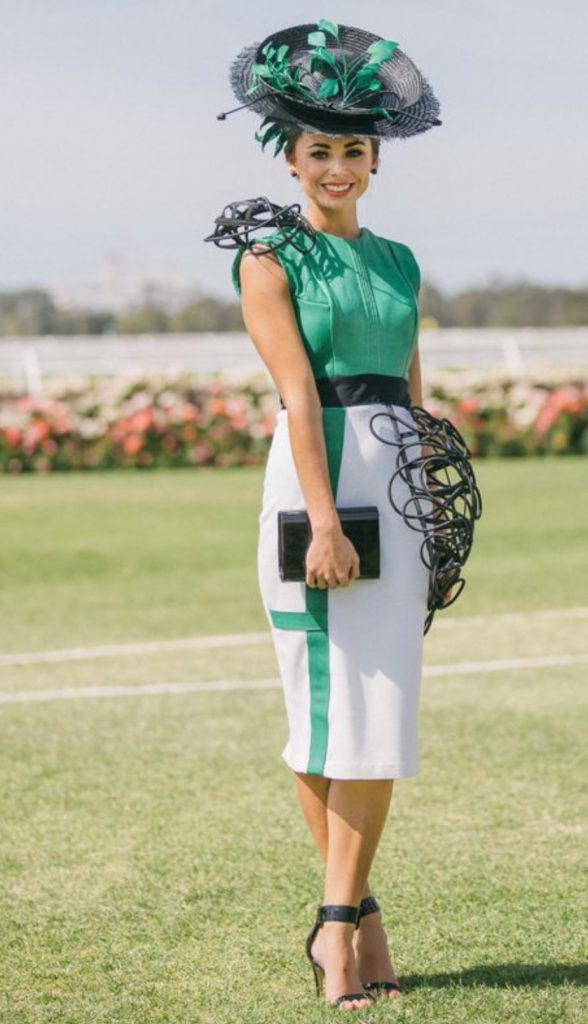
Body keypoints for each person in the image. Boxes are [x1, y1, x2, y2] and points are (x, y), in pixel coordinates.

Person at [218, 19, 446, 1012]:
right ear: (291, 156)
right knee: (327, 717)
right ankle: (344, 926)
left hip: (397, 482)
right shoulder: (268, 260)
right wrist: (322, 519)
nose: (339, 166)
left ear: (376, 160)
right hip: (319, 487)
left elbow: (415, 388)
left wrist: (431, 501)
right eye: (321, 151)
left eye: (356, 150)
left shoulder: (400, 261)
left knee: (379, 718)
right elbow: (300, 400)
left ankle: (346, 917)